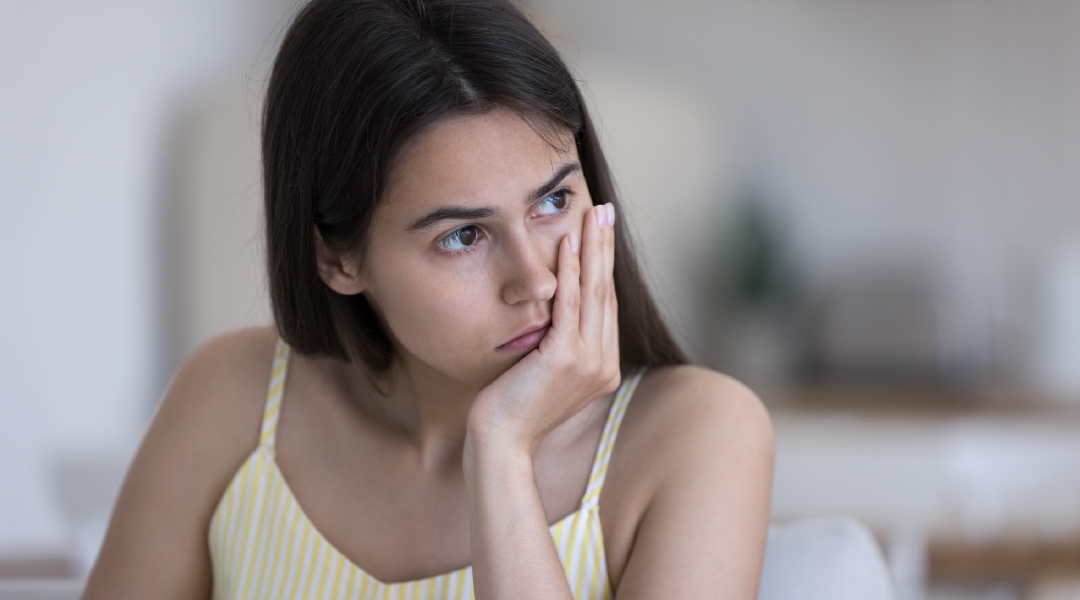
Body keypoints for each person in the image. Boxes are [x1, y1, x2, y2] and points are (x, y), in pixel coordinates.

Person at [82, 0, 774, 597]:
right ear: (336, 256)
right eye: (464, 236)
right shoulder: (231, 398)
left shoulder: (699, 435)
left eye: (555, 200)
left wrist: (500, 452)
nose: (535, 279)